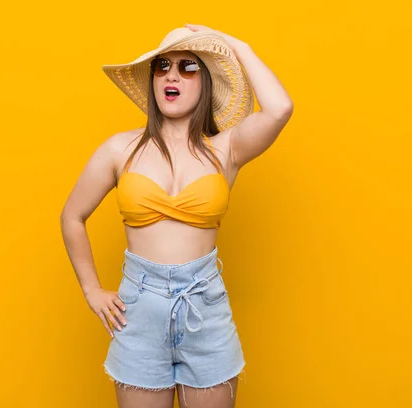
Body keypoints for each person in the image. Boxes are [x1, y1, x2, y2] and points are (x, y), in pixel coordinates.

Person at [60, 24, 293, 408]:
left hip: (205, 306)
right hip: (138, 310)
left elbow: (281, 108)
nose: (171, 74)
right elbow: (72, 216)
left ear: (207, 83)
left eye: (189, 67)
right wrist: (91, 290)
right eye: (163, 65)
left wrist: (234, 45)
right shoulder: (120, 149)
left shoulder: (226, 150)